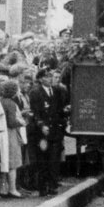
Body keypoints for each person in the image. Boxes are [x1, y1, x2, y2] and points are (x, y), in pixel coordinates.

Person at [29, 67, 68, 196]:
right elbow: (35, 112)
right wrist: (41, 125)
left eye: (51, 76)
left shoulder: (56, 91)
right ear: (40, 79)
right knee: (42, 158)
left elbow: (58, 109)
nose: (50, 79)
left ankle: (52, 185)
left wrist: (65, 112)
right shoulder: (36, 92)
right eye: (46, 77)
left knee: (54, 158)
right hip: (43, 132)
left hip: (55, 130)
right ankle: (42, 187)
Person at [0, 78, 26, 197]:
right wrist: (22, 122)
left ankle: (2, 188)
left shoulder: (1, 101)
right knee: (13, 162)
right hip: (10, 134)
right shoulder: (11, 103)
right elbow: (11, 122)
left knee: (4, 161)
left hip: (2, 133)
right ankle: (12, 189)